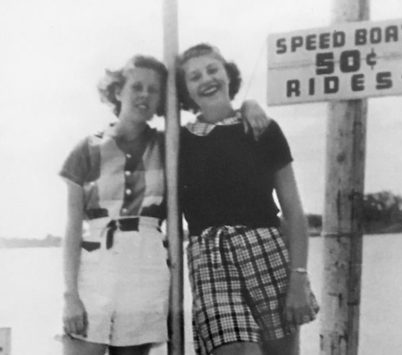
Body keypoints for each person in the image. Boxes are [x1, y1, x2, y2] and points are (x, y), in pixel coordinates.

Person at [60, 54, 269, 355]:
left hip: (146, 266)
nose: (145, 95)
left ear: (161, 100)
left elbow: (215, 123)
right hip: (95, 267)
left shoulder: (170, 144)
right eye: (137, 87)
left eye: (153, 90)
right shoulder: (87, 148)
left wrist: (249, 106)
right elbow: (71, 229)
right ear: (118, 91)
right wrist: (70, 295)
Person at [177, 43, 319, 355]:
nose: (206, 79)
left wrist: (298, 279)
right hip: (210, 258)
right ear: (186, 91)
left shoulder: (262, 128)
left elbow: (293, 211)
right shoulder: (178, 141)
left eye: (213, 70)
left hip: (268, 252)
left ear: (228, 74)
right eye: (194, 76)